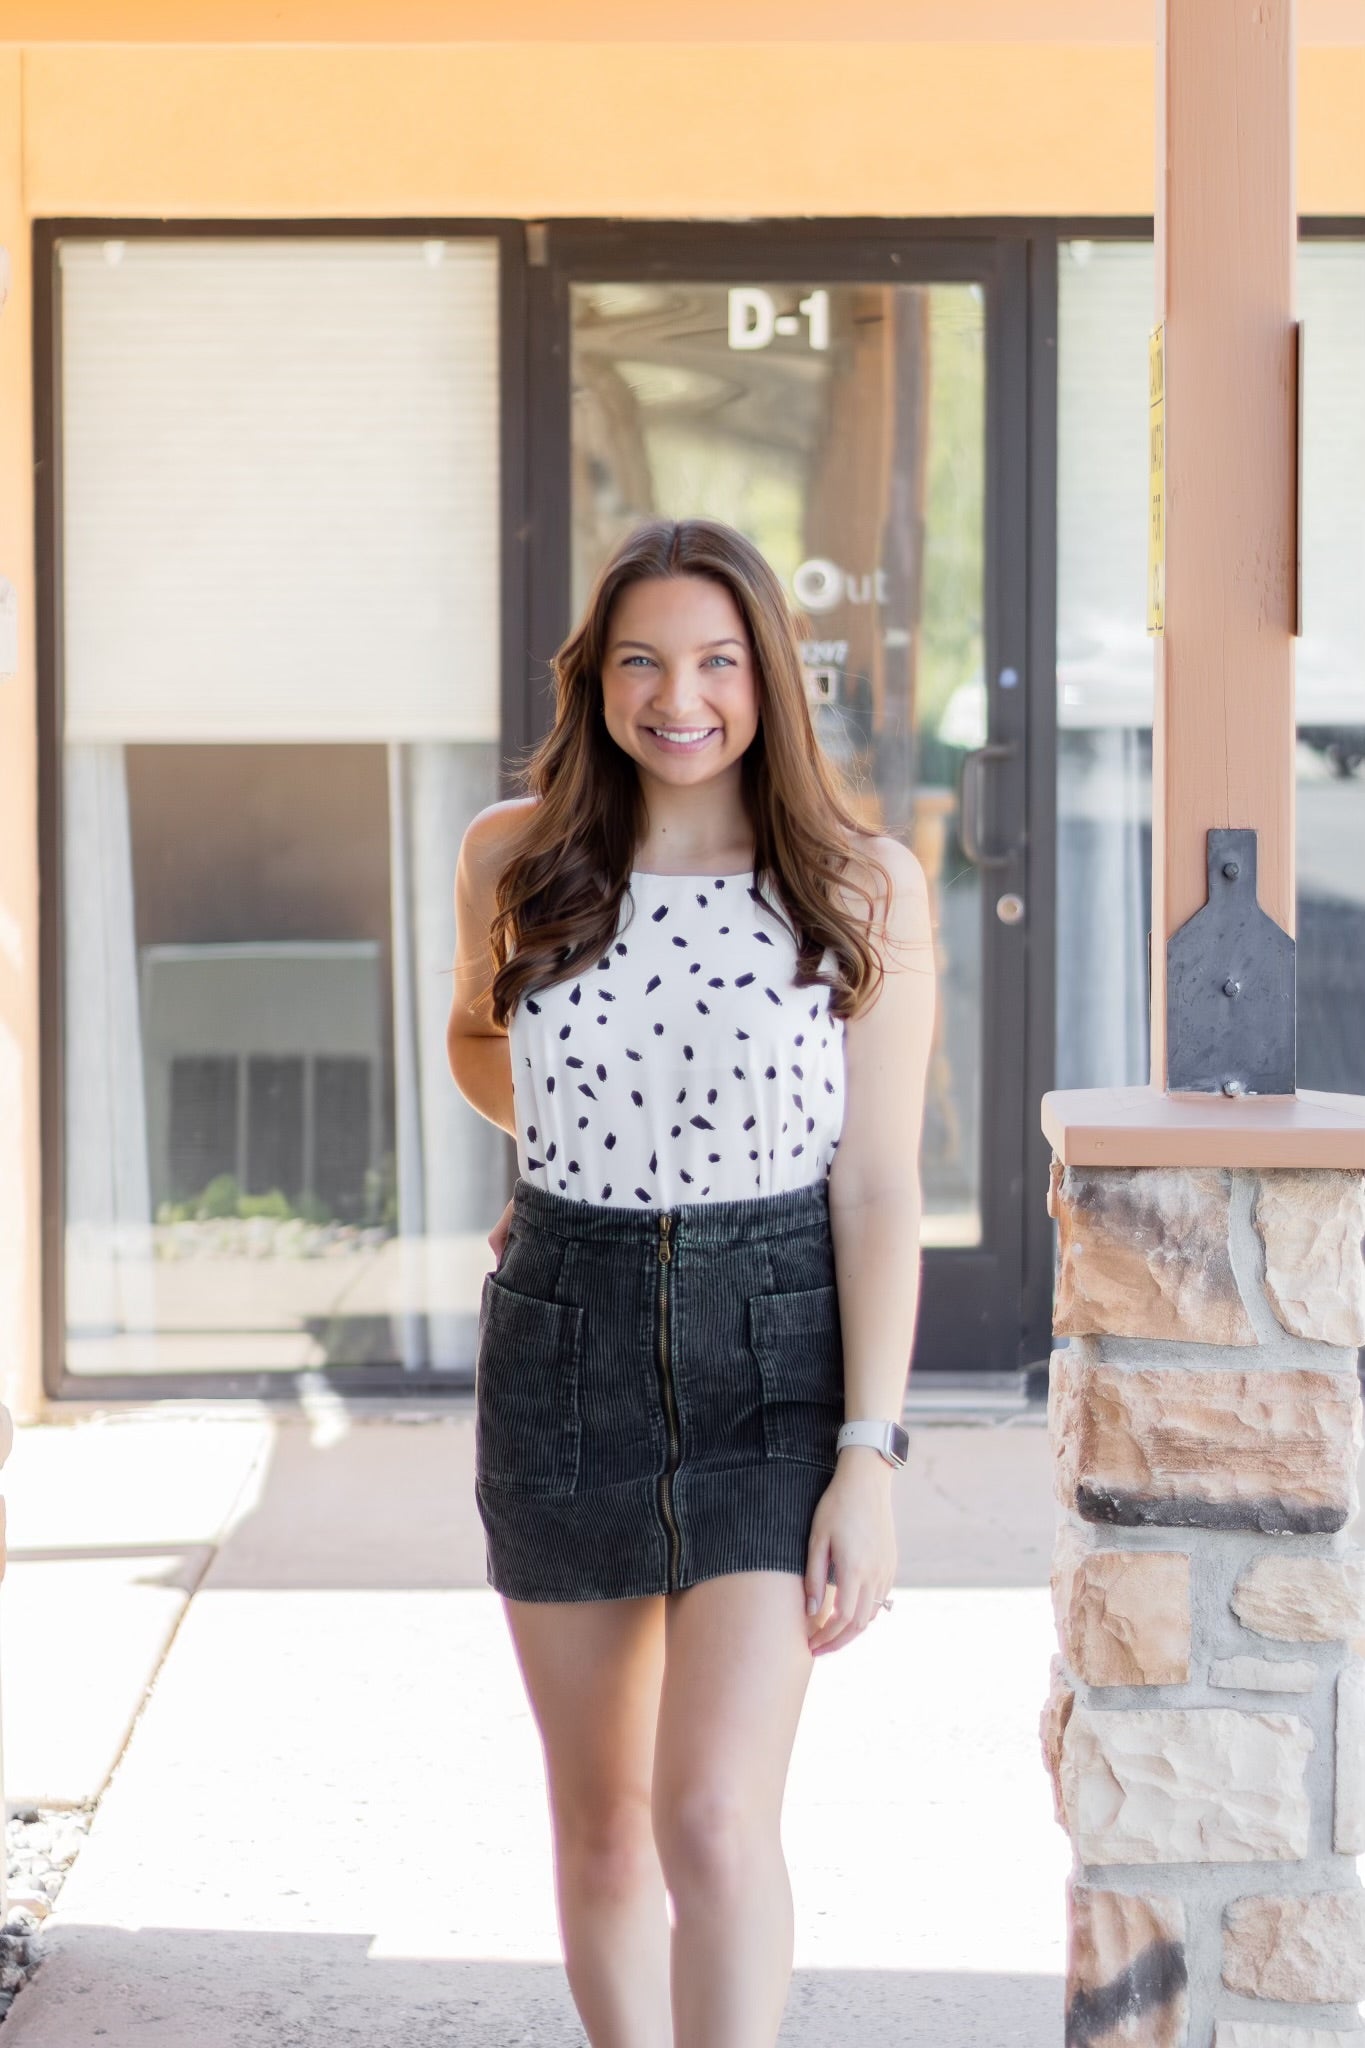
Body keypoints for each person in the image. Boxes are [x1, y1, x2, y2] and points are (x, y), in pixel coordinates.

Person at [447, 516, 934, 2048]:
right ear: (594, 681)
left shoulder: (859, 883)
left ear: (768, 677)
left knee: (712, 1818)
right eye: (641, 662)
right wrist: (592, 1156)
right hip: (564, 1340)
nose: (679, 698)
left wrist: (867, 1459)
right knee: (601, 1827)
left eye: (717, 662)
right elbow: (480, 1045)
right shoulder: (512, 855)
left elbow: (877, 1184)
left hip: (774, 1350)